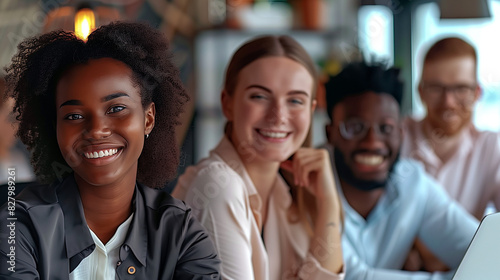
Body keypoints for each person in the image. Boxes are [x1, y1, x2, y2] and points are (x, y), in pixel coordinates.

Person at [0, 22, 221, 279]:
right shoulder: (18, 226)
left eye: (116, 109)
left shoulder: (182, 235)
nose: (96, 130)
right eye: (73, 115)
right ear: (56, 129)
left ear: (148, 119)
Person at [172, 35, 345, 280]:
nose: (278, 115)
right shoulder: (219, 186)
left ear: (311, 109)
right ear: (227, 103)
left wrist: (329, 203)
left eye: (295, 100)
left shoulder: (283, 193)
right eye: (259, 96)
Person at [323, 61, 478, 280]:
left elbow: (485, 253)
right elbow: (349, 276)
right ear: (330, 133)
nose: (373, 142)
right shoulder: (306, 183)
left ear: (401, 134)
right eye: (355, 128)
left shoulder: (413, 183)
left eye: (386, 128)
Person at [401, 37, 500, 272]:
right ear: (421, 92)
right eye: (436, 88)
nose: (448, 102)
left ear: (477, 93)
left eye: (461, 89)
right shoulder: (394, 136)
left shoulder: (492, 146)